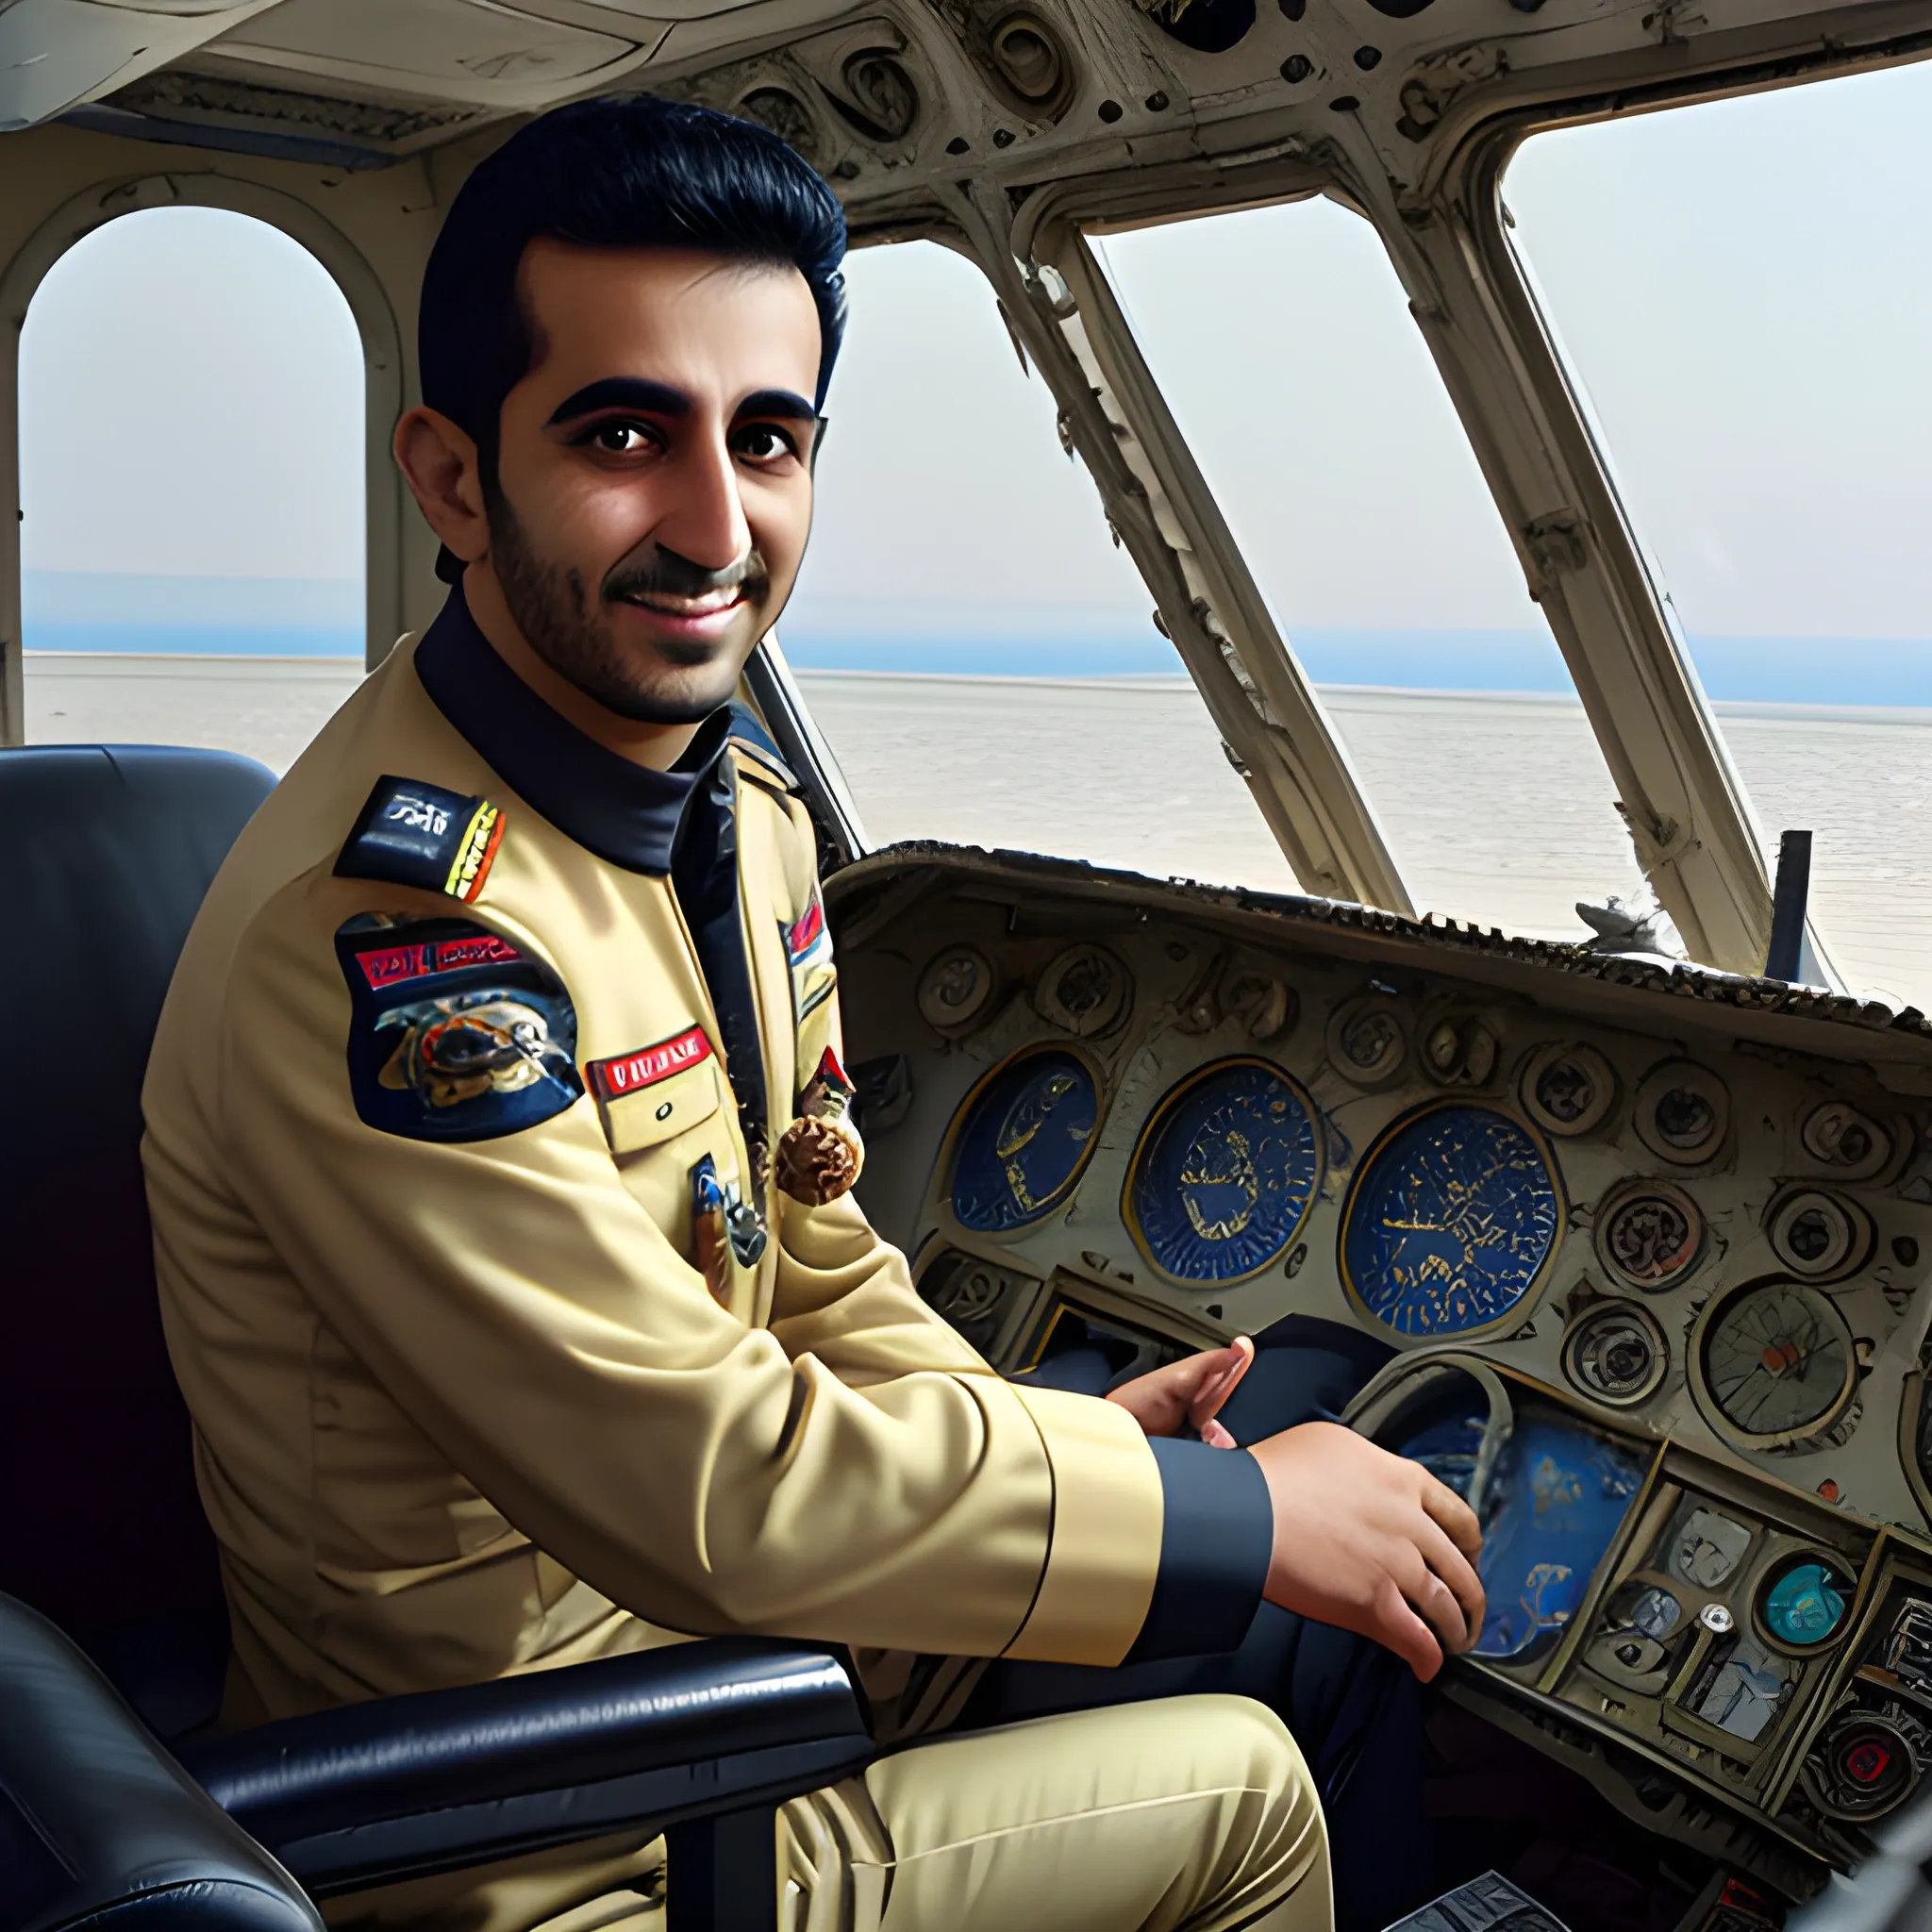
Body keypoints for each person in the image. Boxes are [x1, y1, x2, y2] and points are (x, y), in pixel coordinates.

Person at [141, 93, 1483, 1932]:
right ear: (455, 479)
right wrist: (1234, 1521)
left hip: (739, 1645)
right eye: (624, 433)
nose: (713, 524)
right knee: (1243, 1776)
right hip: (533, 1823)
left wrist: (1106, 1462)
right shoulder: (388, 944)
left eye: (766, 440)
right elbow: (704, 1475)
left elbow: (812, 1252)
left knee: (1293, 1465)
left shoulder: (729, 807)